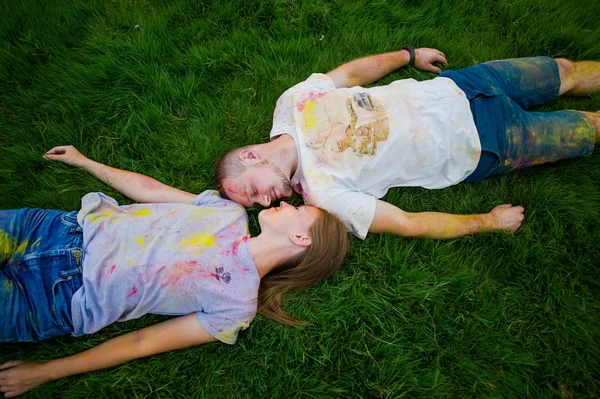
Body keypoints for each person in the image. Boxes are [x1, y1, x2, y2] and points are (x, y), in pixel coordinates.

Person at [0, 145, 348, 398]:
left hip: (55, 299)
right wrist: (85, 161)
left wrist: (45, 372)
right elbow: (151, 190)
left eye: (297, 210)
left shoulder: (236, 307)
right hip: (54, 229)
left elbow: (142, 342)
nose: (284, 202)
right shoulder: (228, 213)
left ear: (301, 238)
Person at [214, 48, 600, 240]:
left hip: (464, 85)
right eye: (257, 205)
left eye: (253, 192)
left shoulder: (291, 104)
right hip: (484, 142)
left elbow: (348, 74)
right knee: (588, 127)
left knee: (565, 70)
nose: (268, 202)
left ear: (250, 157)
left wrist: (409, 55)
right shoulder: (322, 195)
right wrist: (487, 222)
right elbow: (406, 223)